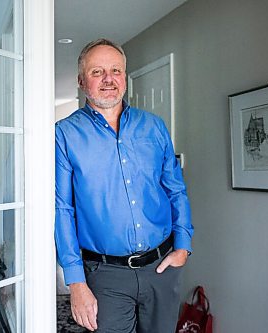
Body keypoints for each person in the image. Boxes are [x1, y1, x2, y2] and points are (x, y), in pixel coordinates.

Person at [55, 38, 194, 333]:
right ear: (82, 81)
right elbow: (62, 208)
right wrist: (76, 281)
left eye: (116, 71)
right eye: (97, 72)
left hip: (161, 268)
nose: (109, 79)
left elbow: (175, 189)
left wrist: (183, 245)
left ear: (125, 78)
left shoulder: (154, 126)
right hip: (105, 276)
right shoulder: (64, 134)